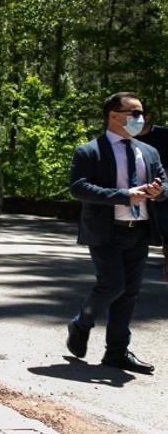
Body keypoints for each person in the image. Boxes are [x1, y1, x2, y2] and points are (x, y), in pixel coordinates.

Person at [66, 92, 165, 375]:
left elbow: (164, 187)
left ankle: (116, 352)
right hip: (106, 230)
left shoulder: (149, 152)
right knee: (113, 285)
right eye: (134, 113)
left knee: (129, 293)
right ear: (113, 115)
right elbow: (79, 188)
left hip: (140, 230)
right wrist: (123, 196)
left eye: (142, 113)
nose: (140, 119)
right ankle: (82, 322)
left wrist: (158, 192)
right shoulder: (89, 151)